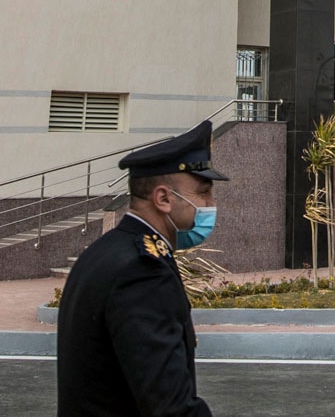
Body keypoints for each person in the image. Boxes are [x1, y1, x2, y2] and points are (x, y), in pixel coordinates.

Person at [57, 121, 227, 417]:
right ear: (163, 198)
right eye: (203, 193)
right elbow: (169, 406)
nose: (210, 204)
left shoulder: (105, 251)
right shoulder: (143, 272)